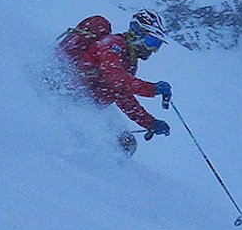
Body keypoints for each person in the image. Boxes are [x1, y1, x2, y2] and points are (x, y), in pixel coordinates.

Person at [62, 9, 173, 149]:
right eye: (151, 42)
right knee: (113, 144)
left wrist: (150, 122)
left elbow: (122, 95)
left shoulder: (128, 59)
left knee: (126, 143)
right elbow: (116, 78)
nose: (152, 50)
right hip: (65, 94)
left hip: (82, 103)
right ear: (137, 34)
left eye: (157, 46)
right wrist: (153, 89)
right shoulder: (112, 44)